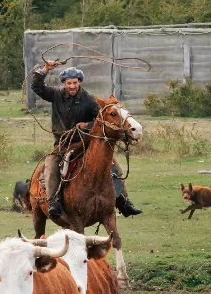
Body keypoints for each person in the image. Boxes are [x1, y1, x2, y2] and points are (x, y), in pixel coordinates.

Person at [30, 61, 142, 219]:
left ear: (79, 82)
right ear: (64, 83)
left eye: (74, 83)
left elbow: (102, 119)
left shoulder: (89, 99)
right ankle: (53, 202)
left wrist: (87, 125)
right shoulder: (56, 95)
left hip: (87, 143)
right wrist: (45, 69)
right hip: (63, 144)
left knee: (114, 166)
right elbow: (37, 88)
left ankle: (123, 201)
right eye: (69, 83)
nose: (72, 86)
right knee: (51, 165)